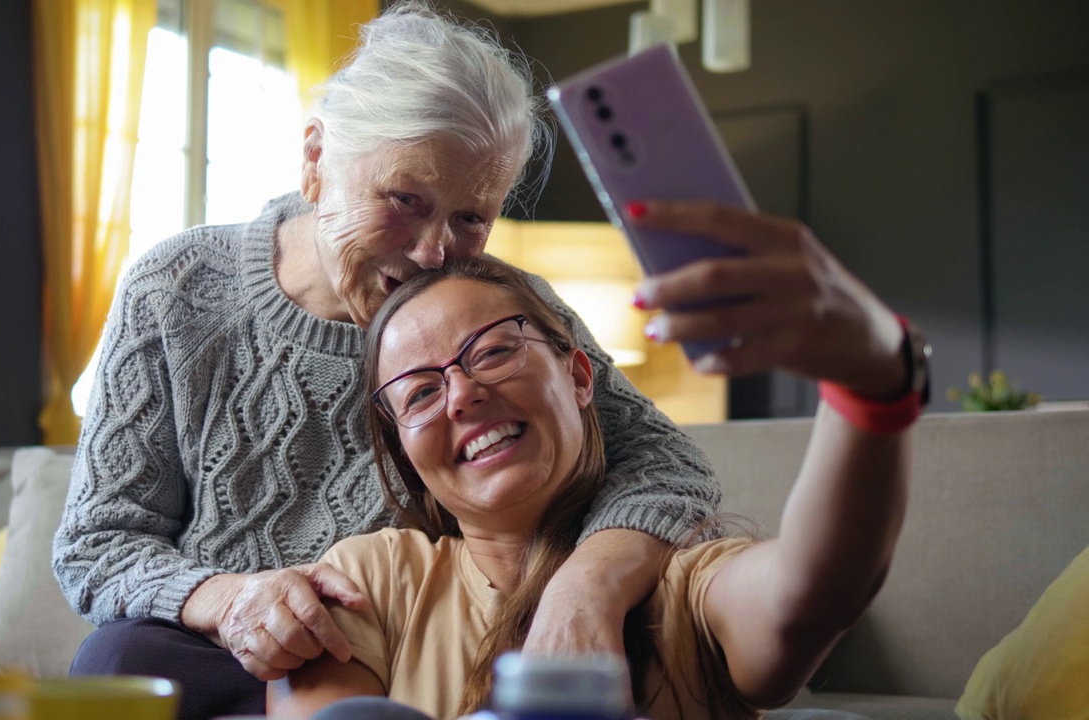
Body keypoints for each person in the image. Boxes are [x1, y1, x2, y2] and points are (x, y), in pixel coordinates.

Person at [53, 5, 722, 719]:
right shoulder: (178, 287)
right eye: (406, 200)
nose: (436, 252)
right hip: (228, 651)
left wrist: (583, 587)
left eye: (471, 217)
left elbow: (671, 465)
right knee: (114, 662)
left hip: (403, 656)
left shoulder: (494, 308)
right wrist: (231, 600)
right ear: (316, 160)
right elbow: (99, 541)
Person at [268, 213, 925, 719]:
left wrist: (872, 382)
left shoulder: (679, 578)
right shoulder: (364, 584)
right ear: (406, 455)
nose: (463, 395)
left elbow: (807, 594)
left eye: (494, 352)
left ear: (580, 377)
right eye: (420, 392)